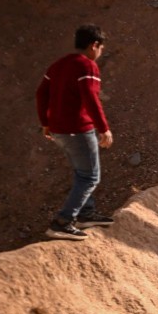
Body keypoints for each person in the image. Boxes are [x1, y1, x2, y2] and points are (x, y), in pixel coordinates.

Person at [36, 24, 115, 241]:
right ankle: (62, 222)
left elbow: (41, 93)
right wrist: (104, 128)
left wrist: (46, 122)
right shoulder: (86, 66)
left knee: (82, 172)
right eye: (100, 49)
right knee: (90, 177)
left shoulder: (58, 65)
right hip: (77, 129)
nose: (100, 53)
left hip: (59, 130)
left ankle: (85, 214)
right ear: (94, 45)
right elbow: (91, 99)